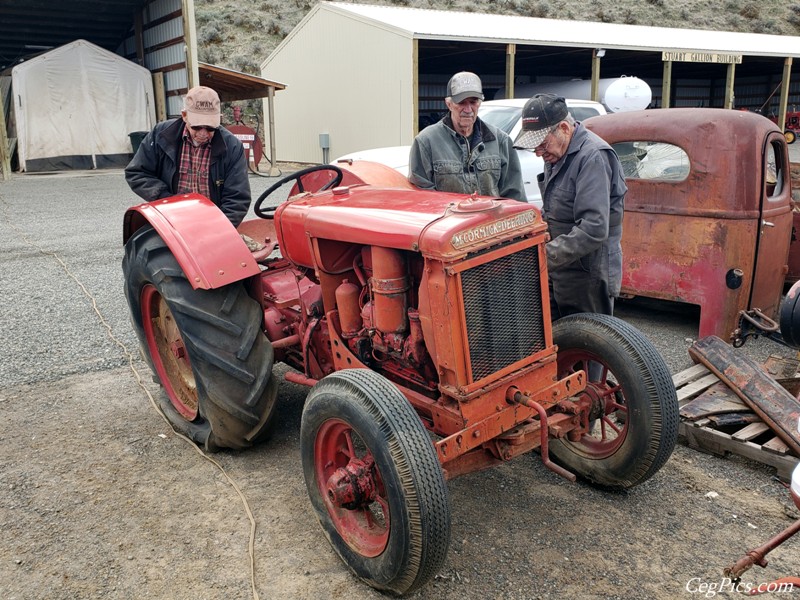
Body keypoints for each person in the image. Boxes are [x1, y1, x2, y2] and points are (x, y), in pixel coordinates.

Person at [516, 93, 626, 318]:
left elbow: (594, 227)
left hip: (589, 274)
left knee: (586, 344)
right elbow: (553, 210)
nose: (538, 152)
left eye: (542, 144)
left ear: (564, 129)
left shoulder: (593, 157)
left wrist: (543, 256)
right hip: (561, 267)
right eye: (534, 146)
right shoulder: (556, 154)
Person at [125, 85, 251, 228]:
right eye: (197, 126)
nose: (203, 133)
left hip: (213, 221)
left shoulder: (232, 146)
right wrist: (166, 199)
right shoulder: (161, 134)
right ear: (185, 116)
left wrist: (219, 230)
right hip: (170, 217)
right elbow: (137, 172)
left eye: (210, 128)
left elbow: (237, 198)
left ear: (219, 120)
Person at [408, 71, 525, 202]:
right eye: (462, 102)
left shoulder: (500, 141)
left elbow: (515, 196)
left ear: (480, 103)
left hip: (491, 220)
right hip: (450, 222)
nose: (468, 109)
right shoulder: (426, 142)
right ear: (449, 104)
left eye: (473, 102)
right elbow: (422, 198)